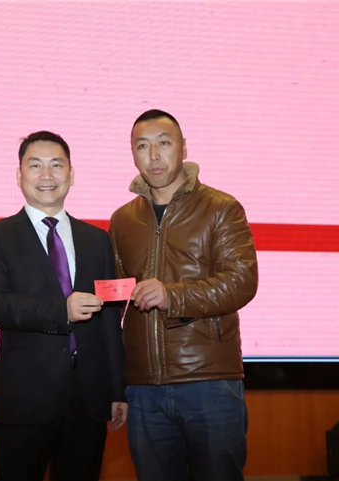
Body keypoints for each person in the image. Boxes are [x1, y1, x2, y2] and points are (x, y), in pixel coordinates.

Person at [108, 110, 258, 481]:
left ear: (184, 148)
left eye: (164, 143)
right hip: (143, 388)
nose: (154, 155)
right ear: (132, 153)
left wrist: (172, 295)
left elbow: (242, 280)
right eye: (142, 146)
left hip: (209, 380)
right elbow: (115, 303)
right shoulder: (122, 220)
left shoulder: (220, 207)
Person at [0, 131, 127, 481]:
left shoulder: (96, 239)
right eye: (35, 166)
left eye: (57, 165)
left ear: (71, 174)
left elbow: (109, 321)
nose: (47, 175)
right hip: (23, 400)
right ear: (19, 175)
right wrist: (62, 310)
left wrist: (117, 389)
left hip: (88, 401)